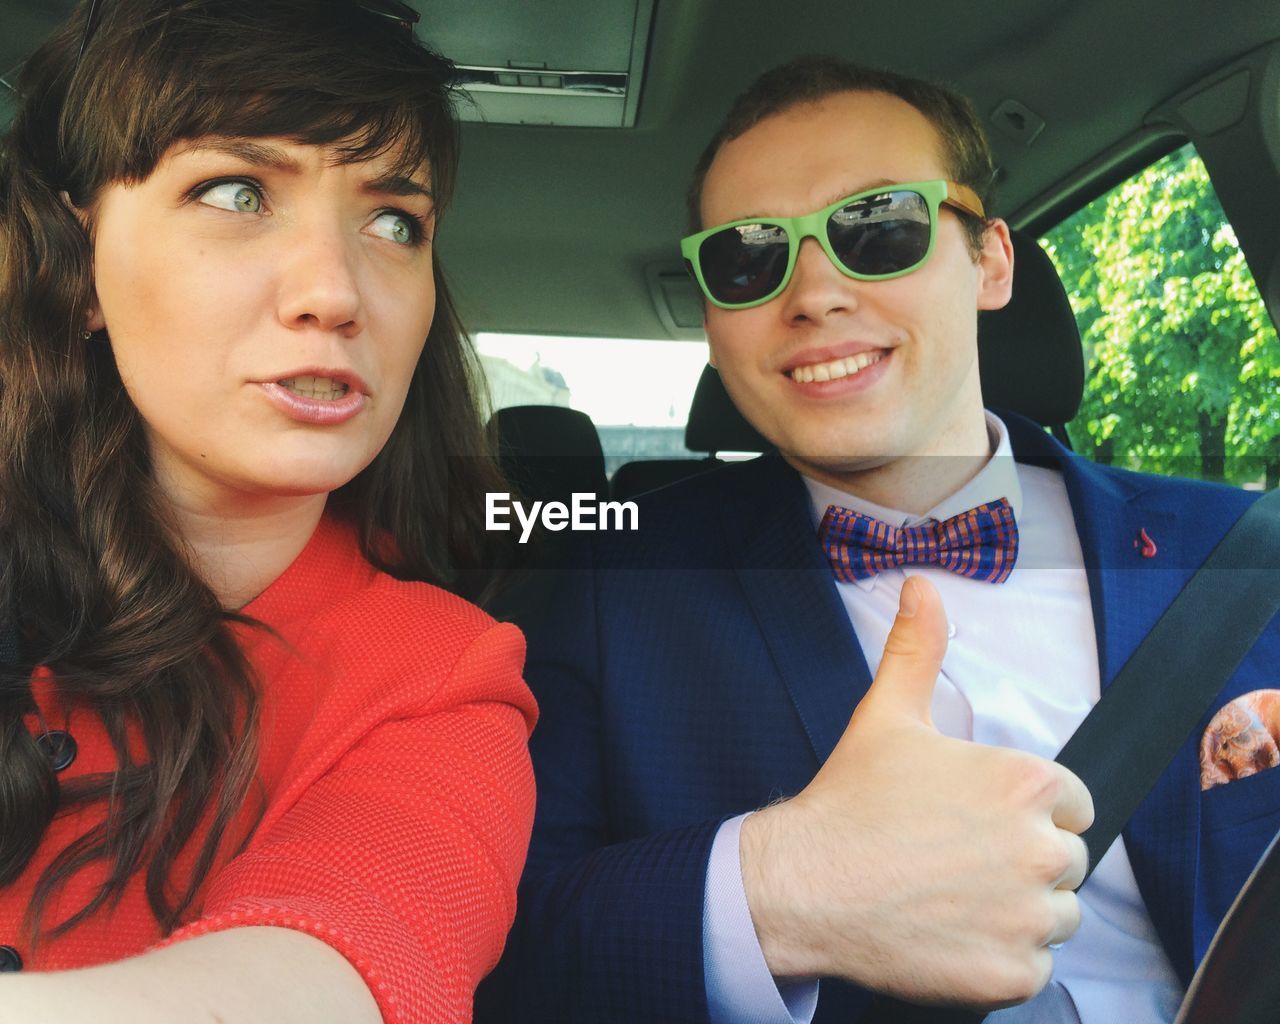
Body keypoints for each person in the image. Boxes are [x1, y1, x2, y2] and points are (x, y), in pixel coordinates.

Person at [476, 57, 1280, 1024]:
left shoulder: (1243, 557)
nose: (812, 291)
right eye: (747, 256)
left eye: (879, 229)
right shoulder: (606, 580)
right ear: (712, 313)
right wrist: (778, 891)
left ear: (990, 263)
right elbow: (495, 945)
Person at [0, 1, 536, 1021]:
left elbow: (344, 967)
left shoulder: (441, 678)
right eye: (236, 191)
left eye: (395, 222)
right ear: (80, 271)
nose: (334, 293)